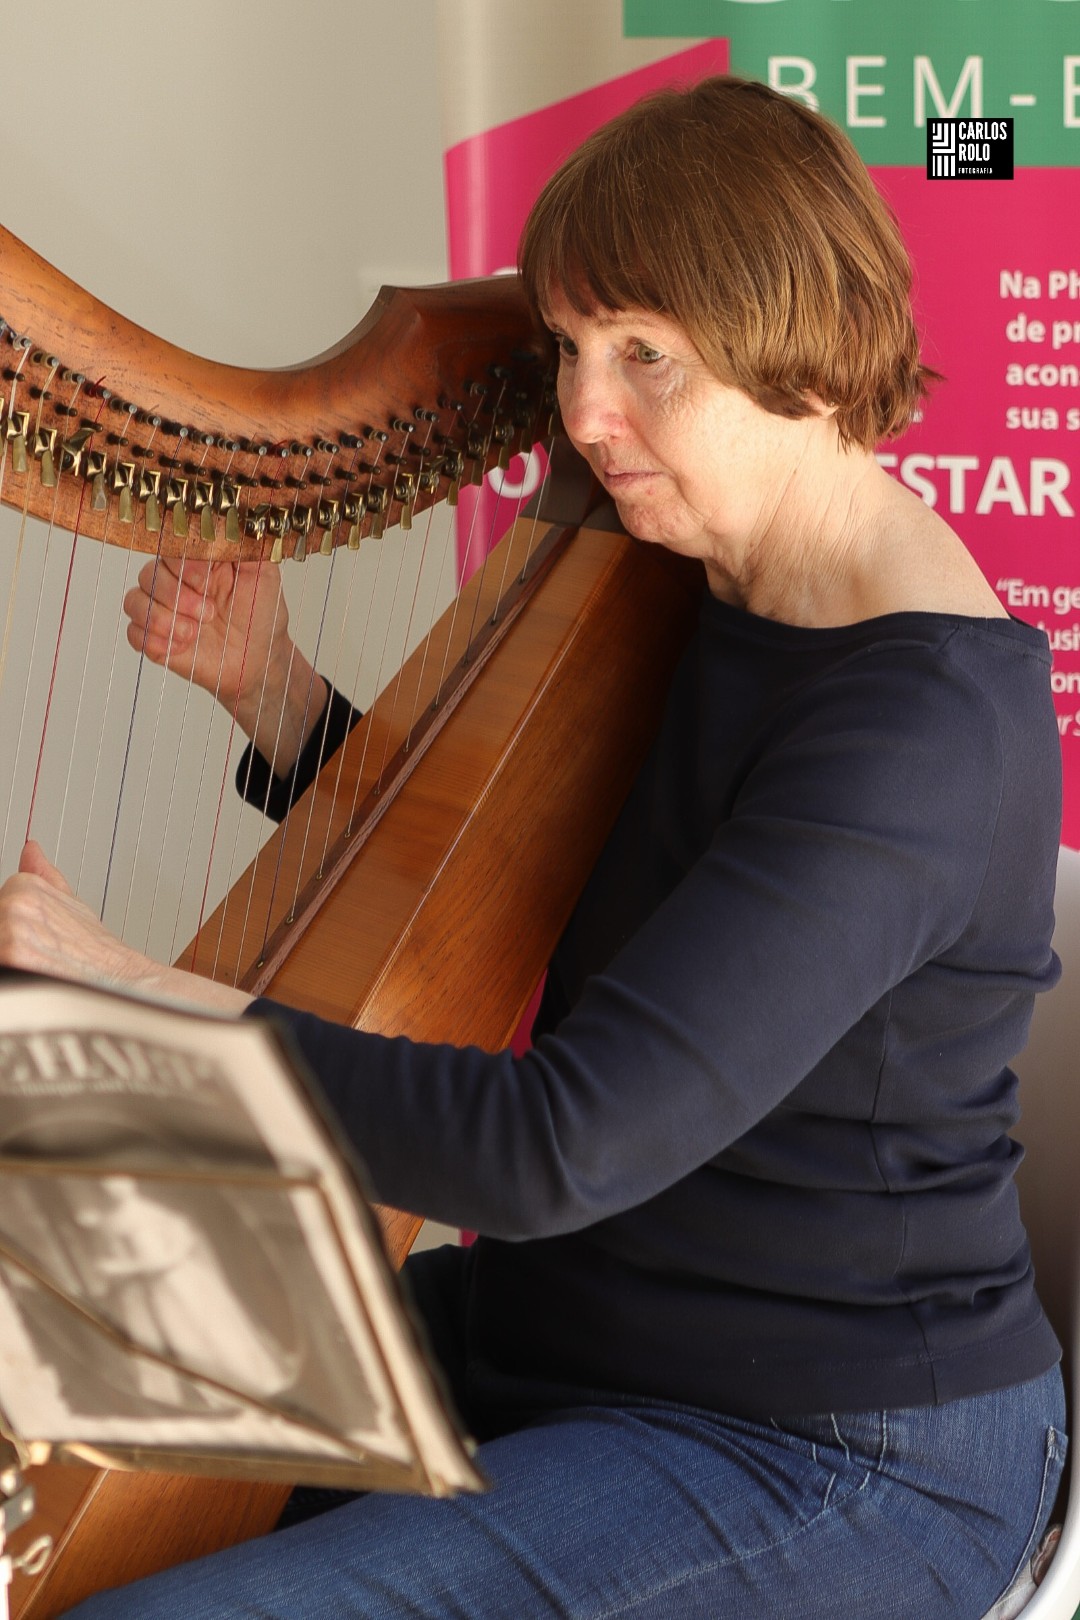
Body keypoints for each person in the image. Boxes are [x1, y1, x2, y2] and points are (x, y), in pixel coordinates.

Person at [0, 75, 1066, 1620]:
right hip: (552, 1338)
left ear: (804, 347)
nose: (580, 412)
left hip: (826, 1448)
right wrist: (273, 691)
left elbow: (555, 1146)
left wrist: (142, 998)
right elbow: (520, 879)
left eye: (647, 357)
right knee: (39, 1397)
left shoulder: (917, 732)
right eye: (568, 347)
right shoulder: (700, 574)